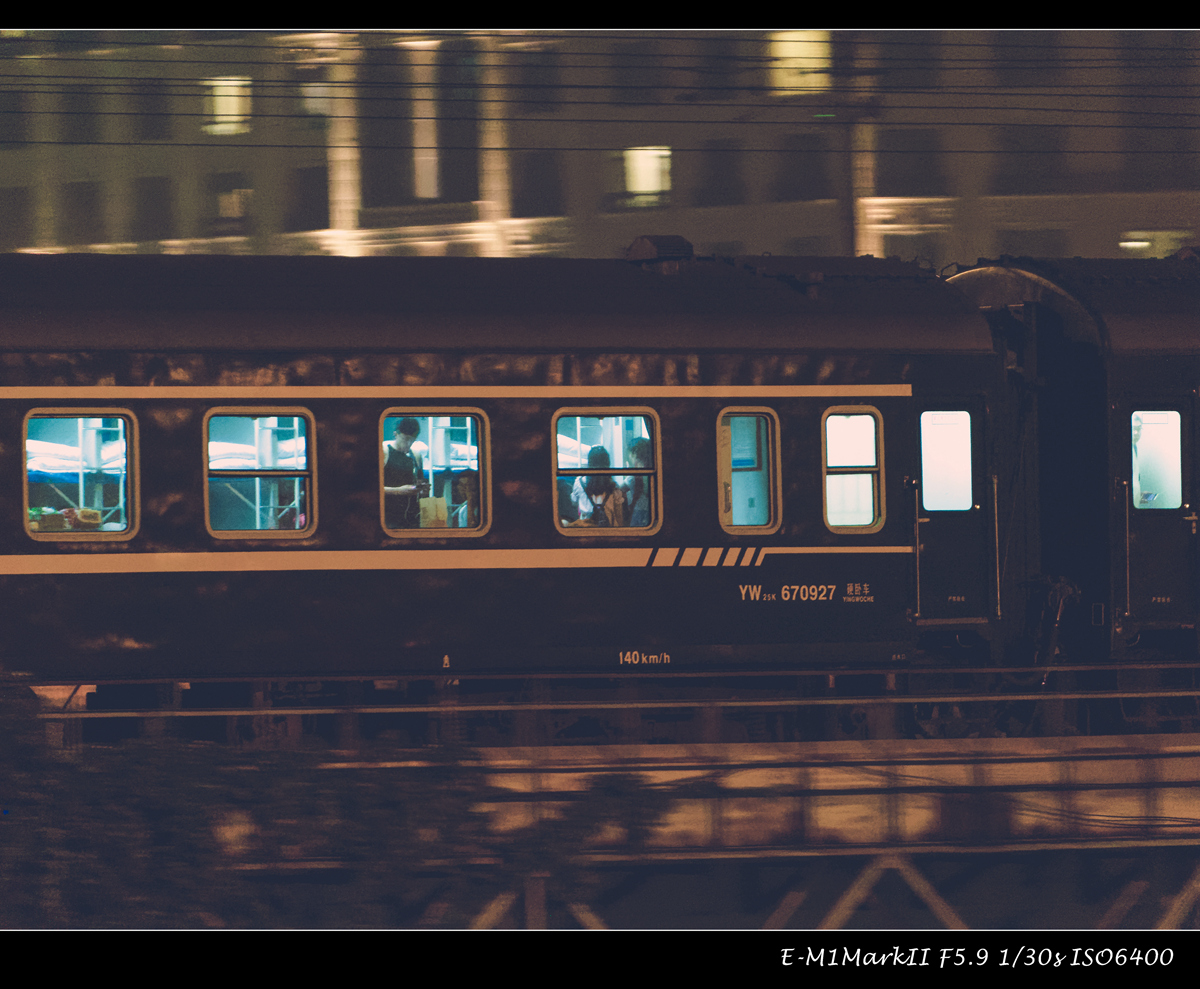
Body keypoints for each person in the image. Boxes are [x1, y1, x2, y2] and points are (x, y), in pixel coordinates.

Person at [383, 417, 427, 527]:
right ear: (395, 434)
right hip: (388, 516)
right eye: (405, 439)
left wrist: (423, 489)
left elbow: (419, 481)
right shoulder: (384, 452)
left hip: (411, 516)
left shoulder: (416, 455)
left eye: (412, 440)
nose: (408, 444)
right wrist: (398, 491)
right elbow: (370, 489)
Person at [625, 437, 652, 527]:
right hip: (650, 510)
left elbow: (621, 488)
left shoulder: (635, 475)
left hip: (639, 512)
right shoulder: (649, 468)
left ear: (634, 453)